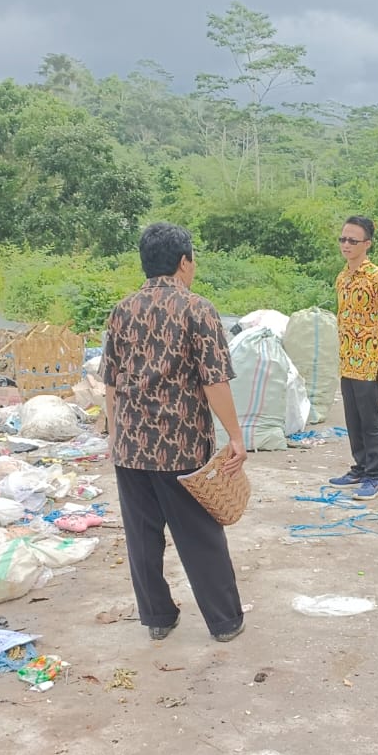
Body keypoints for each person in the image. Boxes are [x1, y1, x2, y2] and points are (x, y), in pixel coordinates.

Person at [102, 222, 248, 643]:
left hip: (130, 445)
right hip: (180, 446)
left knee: (142, 538)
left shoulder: (122, 310)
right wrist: (235, 436)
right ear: (185, 262)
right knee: (200, 536)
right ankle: (224, 622)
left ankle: (158, 618)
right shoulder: (197, 308)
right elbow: (214, 381)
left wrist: (115, 432)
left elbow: (111, 379)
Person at [330, 215, 378, 501]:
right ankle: (359, 468)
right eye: (343, 239)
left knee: (370, 421)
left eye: (352, 240)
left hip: (369, 360)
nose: (346, 245)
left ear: (367, 244)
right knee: (352, 419)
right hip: (348, 359)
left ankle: (374, 477)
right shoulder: (343, 277)